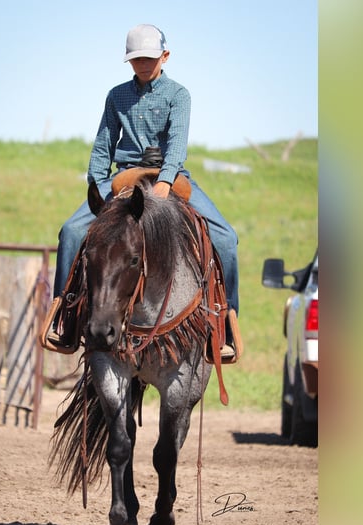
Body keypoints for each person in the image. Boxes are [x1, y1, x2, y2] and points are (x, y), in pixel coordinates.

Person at [48, 24, 239, 357]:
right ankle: (63, 315)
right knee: (71, 230)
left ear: (164, 56)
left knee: (225, 238)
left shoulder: (178, 95)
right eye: (136, 59)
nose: (143, 64)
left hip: (171, 174)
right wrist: (96, 183)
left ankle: (225, 322)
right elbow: (104, 144)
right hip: (124, 176)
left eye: (149, 58)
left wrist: (165, 181)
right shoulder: (116, 96)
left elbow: (177, 143)